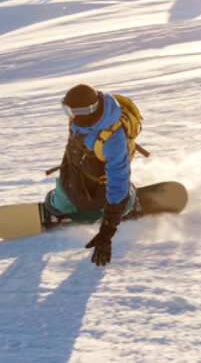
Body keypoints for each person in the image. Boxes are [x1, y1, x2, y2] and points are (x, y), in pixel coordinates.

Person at [44, 83, 140, 266]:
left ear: (85, 111)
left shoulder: (112, 140)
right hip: (79, 170)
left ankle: (133, 199)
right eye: (65, 109)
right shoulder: (78, 119)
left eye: (69, 110)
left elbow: (118, 183)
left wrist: (106, 232)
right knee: (62, 200)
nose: (67, 114)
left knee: (121, 200)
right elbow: (72, 147)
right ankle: (54, 208)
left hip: (104, 179)